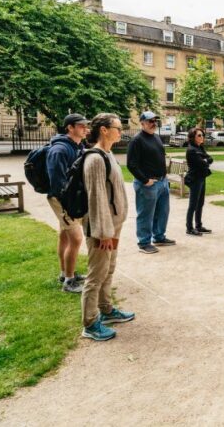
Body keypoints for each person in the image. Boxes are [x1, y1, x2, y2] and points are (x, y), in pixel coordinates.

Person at [81, 113, 134, 341]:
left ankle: (106, 308)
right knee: (96, 273)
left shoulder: (108, 154)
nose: (120, 132)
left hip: (114, 225)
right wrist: (102, 232)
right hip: (102, 229)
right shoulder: (95, 159)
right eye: (117, 128)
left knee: (109, 268)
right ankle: (90, 323)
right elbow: (97, 198)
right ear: (104, 129)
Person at [46, 113, 89, 294]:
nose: (85, 129)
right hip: (61, 199)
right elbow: (57, 182)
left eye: (86, 126)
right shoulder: (59, 150)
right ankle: (69, 282)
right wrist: (68, 205)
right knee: (76, 238)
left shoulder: (78, 146)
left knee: (65, 236)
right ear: (70, 127)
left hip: (69, 197)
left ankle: (65, 273)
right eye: (81, 126)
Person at [127, 111, 174, 254]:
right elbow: (131, 164)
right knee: (145, 214)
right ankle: (144, 242)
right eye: (150, 121)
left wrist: (165, 177)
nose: (153, 123)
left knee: (162, 212)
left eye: (155, 121)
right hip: (148, 184)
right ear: (142, 123)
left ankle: (159, 237)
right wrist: (145, 180)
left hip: (162, 182)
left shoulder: (156, 137)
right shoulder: (137, 140)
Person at [185, 127, 213, 236]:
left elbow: (210, 159)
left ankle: (198, 225)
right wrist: (205, 161)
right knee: (193, 204)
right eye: (199, 135)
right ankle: (189, 228)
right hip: (195, 179)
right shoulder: (191, 149)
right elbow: (202, 163)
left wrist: (205, 160)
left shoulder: (200, 147)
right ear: (193, 137)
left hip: (202, 177)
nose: (202, 137)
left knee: (200, 203)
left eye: (203, 135)